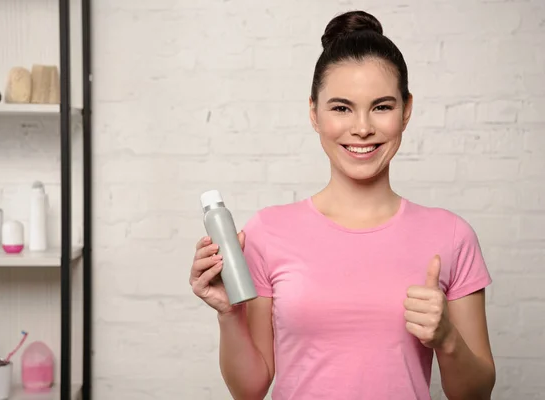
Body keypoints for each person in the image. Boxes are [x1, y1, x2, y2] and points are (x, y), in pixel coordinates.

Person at [189, 10, 495, 400]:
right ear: (314, 113)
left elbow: (476, 394)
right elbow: (249, 389)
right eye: (341, 108)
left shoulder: (452, 237)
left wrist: (447, 339)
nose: (362, 127)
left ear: (407, 110)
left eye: (382, 107)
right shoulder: (267, 232)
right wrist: (229, 314)